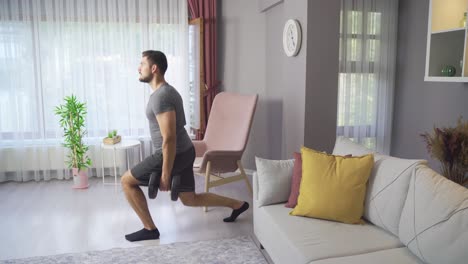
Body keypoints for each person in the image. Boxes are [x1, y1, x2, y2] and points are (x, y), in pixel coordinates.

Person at [121, 50, 249, 242]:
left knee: (126, 181)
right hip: (184, 151)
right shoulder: (166, 91)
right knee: (190, 199)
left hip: (172, 153)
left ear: (154, 68)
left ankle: (150, 229)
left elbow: (169, 138)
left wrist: (165, 173)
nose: (138, 68)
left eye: (142, 64)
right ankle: (238, 204)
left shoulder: (161, 97)